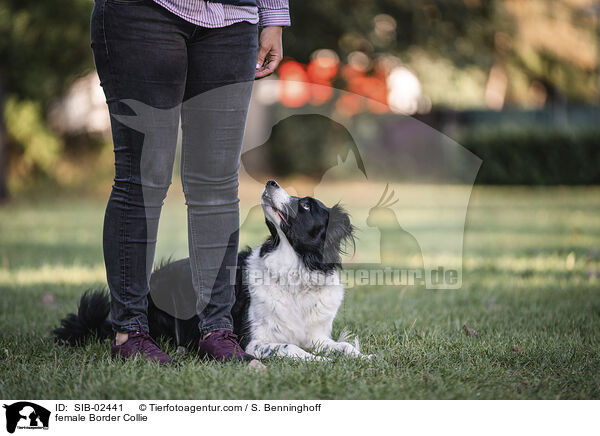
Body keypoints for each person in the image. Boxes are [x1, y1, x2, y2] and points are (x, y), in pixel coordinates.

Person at [91, 0, 289, 364]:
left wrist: (274, 16)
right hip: (144, 12)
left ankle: (216, 330)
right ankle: (129, 332)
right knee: (144, 178)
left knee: (217, 184)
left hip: (233, 21)